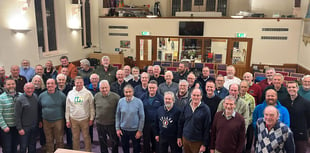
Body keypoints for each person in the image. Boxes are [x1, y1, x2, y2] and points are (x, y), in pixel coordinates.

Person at [65, 76, 95, 152]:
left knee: (86, 136)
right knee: (75, 137)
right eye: (77, 82)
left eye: (80, 82)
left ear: (83, 83)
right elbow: (67, 107)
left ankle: (88, 151)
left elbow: (92, 107)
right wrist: (67, 120)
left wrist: (91, 118)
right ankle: (76, 151)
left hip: (85, 118)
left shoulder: (88, 93)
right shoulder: (70, 93)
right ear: (75, 83)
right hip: (73, 119)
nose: (79, 84)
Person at [177, 88, 211, 153]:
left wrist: (204, 144)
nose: (195, 97)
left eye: (198, 95)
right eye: (194, 95)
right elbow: (181, 122)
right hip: (185, 139)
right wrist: (179, 137)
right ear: (191, 95)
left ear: (201, 96)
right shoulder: (186, 106)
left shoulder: (205, 109)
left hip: (197, 142)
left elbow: (207, 128)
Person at [38, 78, 66, 153]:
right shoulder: (41, 96)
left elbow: (65, 107)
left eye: (52, 83)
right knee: (48, 139)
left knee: (59, 139)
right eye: (48, 84)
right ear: (46, 85)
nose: (50, 85)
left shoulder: (62, 95)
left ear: (55, 85)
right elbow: (39, 108)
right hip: (46, 121)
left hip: (58, 120)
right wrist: (40, 120)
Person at [282, 81, 310, 153]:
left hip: (300, 134)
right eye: (289, 87)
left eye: (293, 87)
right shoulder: (283, 102)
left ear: (297, 88)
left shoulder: (306, 103)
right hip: (286, 133)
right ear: (287, 89)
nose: (291, 89)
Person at [115, 85, 145, 153]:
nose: (128, 94)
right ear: (124, 92)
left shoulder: (139, 102)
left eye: (130, 92)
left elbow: (142, 117)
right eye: (126, 92)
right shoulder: (120, 101)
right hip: (123, 130)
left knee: (136, 148)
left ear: (133, 92)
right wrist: (117, 128)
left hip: (135, 130)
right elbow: (117, 115)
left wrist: (140, 130)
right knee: (125, 148)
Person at [94, 80, 120, 153]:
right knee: (102, 142)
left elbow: (119, 111)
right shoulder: (96, 96)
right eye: (102, 88)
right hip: (100, 124)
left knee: (114, 142)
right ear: (99, 88)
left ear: (109, 87)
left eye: (106, 87)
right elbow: (94, 107)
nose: (104, 90)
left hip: (111, 124)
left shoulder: (116, 97)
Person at [140, 80, 164, 153]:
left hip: (156, 124)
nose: (151, 89)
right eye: (150, 88)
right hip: (146, 124)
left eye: (153, 88)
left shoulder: (161, 98)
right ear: (148, 87)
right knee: (146, 142)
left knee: (156, 143)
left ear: (156, 88)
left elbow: (163, 110)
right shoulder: (143, 97)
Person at [15, 83, 39, 153]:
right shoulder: (19, 99)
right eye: (28, 88)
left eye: (31, 88)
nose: (30, 90)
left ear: (34, 89)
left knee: (32, 145)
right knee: (23, 146)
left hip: (34, 126)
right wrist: (19, 128)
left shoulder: (35, 96)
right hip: (24, 128)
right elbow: (17, 115)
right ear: (24, 89)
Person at [0, 78, 22, 153]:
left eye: (13, 84)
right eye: (8, 84)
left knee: (15, 146)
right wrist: (4, 126)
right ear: (5, 86)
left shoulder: (20, 96)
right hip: (6, 128)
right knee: (7, 148)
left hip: (16, 126)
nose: (11, 86)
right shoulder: (1, 98)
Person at [239, 80, 255, 153]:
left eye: (245, 87)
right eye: (242, 87)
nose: (243, 89)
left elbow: (252, 112)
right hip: (237, 121)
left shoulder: (251, 98)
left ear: (248, 88)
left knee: (250, 137)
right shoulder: (236, 96)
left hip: (248, 121)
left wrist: (247, 122)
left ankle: (248, 150)